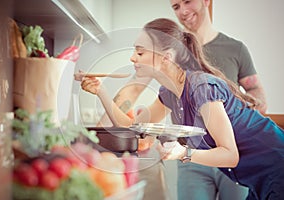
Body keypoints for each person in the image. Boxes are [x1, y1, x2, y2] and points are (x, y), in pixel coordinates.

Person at [80, 18, 284, 200]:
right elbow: (133, 127)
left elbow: (230, 155)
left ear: (166, 57)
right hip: (256, 178)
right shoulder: (169, 92)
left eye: (140, 52)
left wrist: (183, 153)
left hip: (276, 165)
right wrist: (101, 92)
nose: (133, 58)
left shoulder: (202, 87)